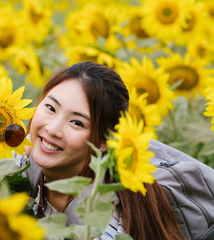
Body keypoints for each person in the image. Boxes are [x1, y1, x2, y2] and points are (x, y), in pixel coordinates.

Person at [19, 61, 184, 240]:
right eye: (51, 108)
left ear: (104, 142)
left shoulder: (102, 228)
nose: (52, 129)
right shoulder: (29, 152)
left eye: (77, 122)